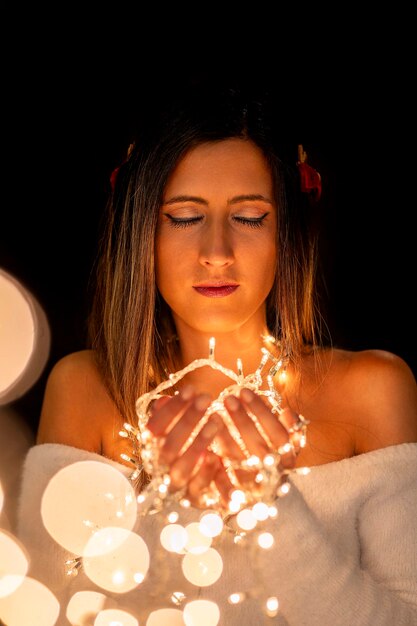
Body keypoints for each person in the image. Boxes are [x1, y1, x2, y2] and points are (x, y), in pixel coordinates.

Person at [16, 81, 417, 626]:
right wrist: (170, 517)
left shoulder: (372, 390)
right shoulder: (87, 390)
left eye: (249, 217)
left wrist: (270, 508)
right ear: (141, 230)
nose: (216, 254)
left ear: (287, 232)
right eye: (184, 217)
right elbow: (43, 616)